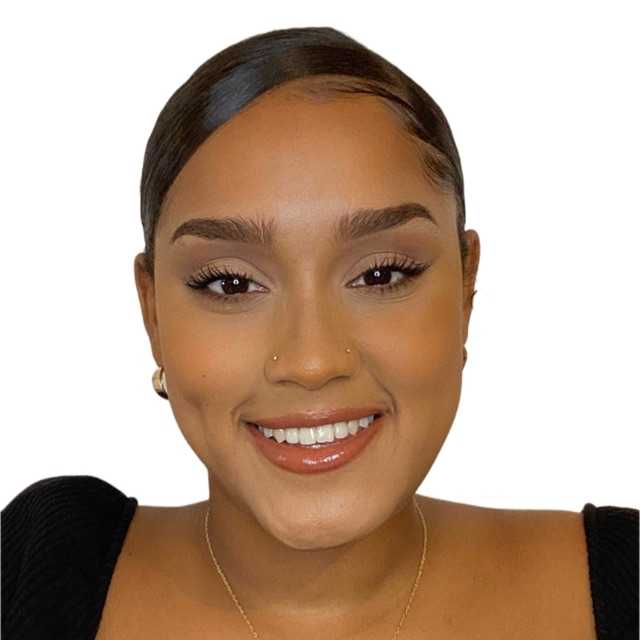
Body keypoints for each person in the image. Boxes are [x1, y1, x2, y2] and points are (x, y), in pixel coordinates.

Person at [2, 26, 637, 640]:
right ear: (153, 314)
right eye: (231, 284)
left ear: (466, 289)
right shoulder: (38, 570)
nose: (311, 361)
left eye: (382, 274)